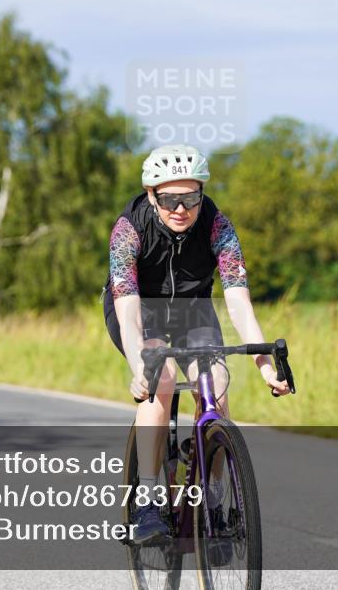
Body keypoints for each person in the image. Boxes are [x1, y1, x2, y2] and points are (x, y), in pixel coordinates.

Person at [103, 144, 290, 544]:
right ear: (151, 194)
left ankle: (215, 497)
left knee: (217, 388)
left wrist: (265, 366)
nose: (181, 209)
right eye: (170, 199)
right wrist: (140, 366)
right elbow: (129, 309)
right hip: (142, 311)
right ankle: (148, 502)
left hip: (192, 311)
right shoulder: (128, 230)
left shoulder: (218, 226)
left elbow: (239, 303)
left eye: (191, 198)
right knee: (163, 378)